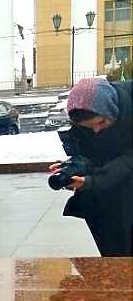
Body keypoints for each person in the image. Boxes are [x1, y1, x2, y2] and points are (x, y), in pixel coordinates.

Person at [51, 76, 132, 256]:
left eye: (100, 122)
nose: (95, 131)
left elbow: (128, 160)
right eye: (89, 127)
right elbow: (89, 155)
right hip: (105, 194)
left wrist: (93, 181)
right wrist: (74, 166)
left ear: (113, 108)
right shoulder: (83, 123)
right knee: (113, 254)